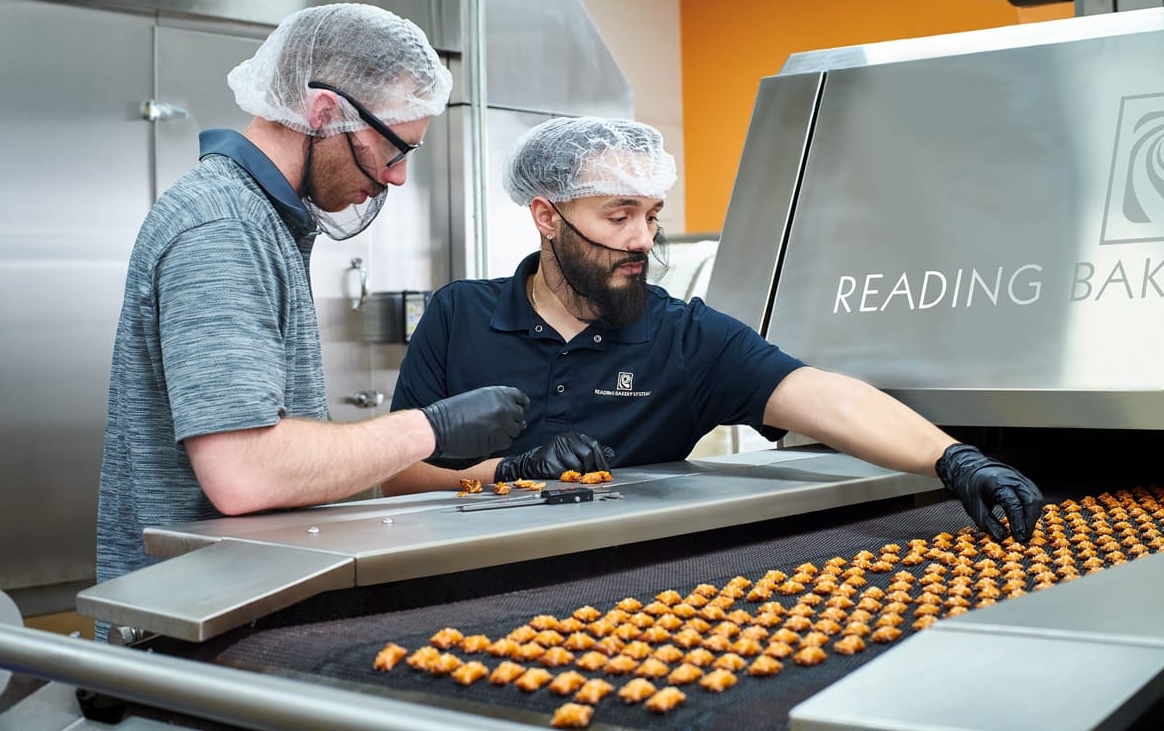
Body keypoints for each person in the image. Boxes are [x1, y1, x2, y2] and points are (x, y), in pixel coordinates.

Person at [384, 115, 1044, 545]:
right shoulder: (458, 315)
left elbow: (823, 396)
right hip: (445, 578)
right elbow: (398, 474)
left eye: (651, 215)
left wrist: (953, 458)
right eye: (618, 216)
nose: (642, 240)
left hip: (623, 586)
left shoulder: (682, 336)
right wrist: (512, 470)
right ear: (547, 217)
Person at [96, 4, 529, 602]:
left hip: (237, 597)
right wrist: (430, 429)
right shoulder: (223, 225)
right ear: (323, 112)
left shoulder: (267, 221)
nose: (397, 178)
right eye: (393, 149)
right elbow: (245, 473)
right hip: (192, 618)